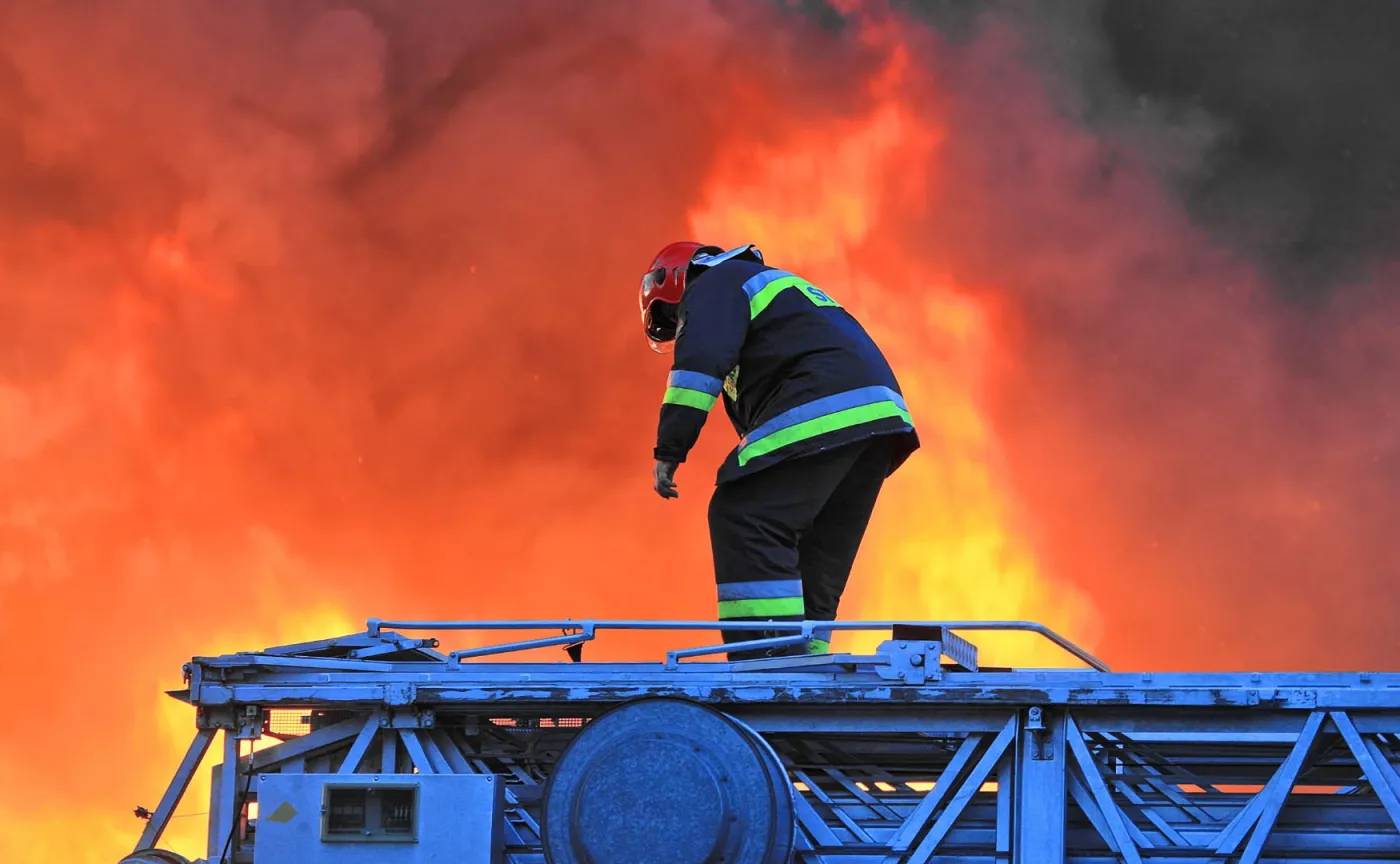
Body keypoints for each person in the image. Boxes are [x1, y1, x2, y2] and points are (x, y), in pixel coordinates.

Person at [639, 241, 919, 660]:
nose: (680, 326)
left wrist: (669, 449)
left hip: (825, 405)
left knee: (745, 514)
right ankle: (807, 660)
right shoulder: (770, 291)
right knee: (813, 549)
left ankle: (764, 657)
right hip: (876, 422)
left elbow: (699, 364)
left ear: (675, 279)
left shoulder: (715, 283)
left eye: (673, 317)